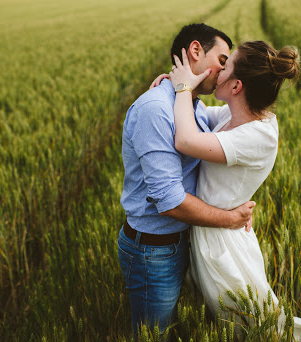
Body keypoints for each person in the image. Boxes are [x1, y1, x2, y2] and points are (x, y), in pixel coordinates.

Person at [152, 41, 301, 340]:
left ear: (236, 86)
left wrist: (182, 90)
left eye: (226, 65)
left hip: (223, 246)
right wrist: (174, 86)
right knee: (233, 325)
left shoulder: (258, 135)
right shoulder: (237, 118)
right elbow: (199, 117)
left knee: (257, 328)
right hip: (212, 231)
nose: (218, 69)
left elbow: (186, 141)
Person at [118, 23, 257, 336]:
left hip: (180, 243)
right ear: (196, 51)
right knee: (153, 334)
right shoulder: (156, 110)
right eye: (222, 61)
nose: (224, 72)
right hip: (153, 253)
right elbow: (169, 201)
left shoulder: (192, 105)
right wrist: (230, 218)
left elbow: (233, 123)